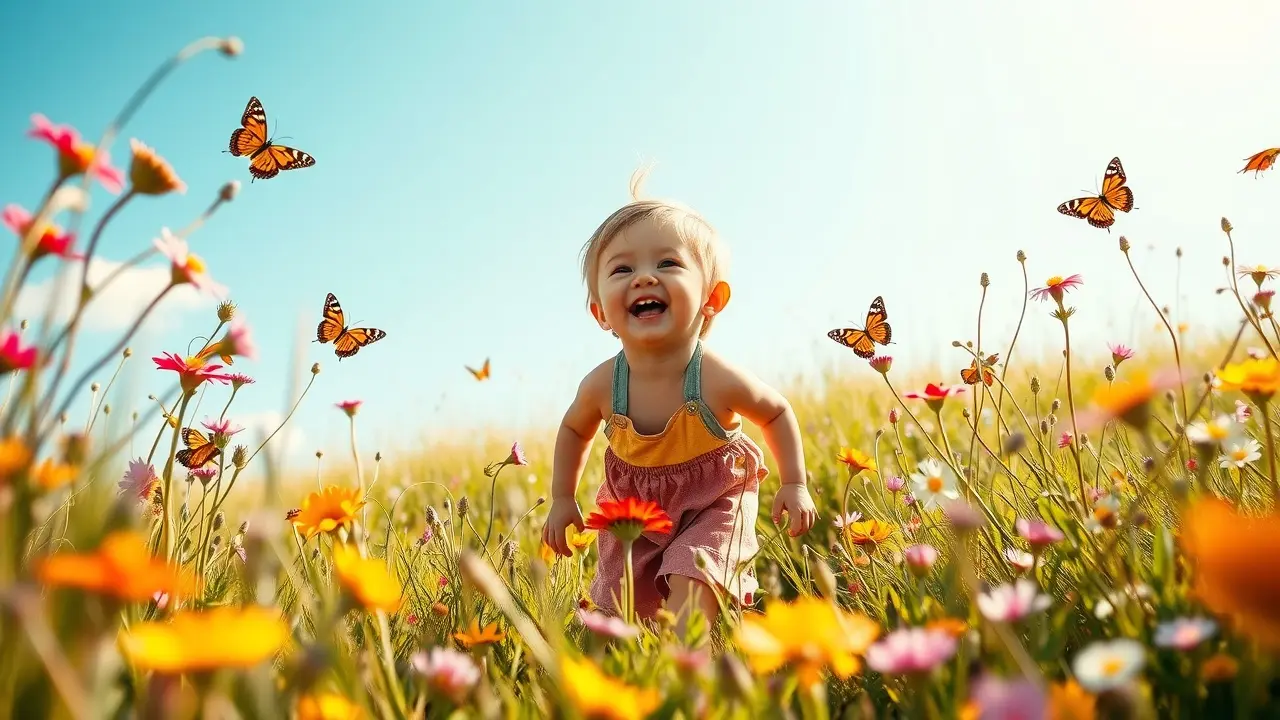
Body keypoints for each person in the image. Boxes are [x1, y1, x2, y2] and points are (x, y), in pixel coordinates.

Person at [541, 169, 817, 631]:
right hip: (634, 506)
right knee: (622, 609)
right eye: (622, 269)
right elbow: (573, 429)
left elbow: (776, 410)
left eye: (667, 264)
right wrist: (562, 496)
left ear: (712, 297)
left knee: (693, 581)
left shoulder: (713, 377)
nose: (644, 277)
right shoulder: (603, 385)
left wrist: (794, 483)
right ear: (600, 312)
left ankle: (696, 676)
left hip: (714, 500)